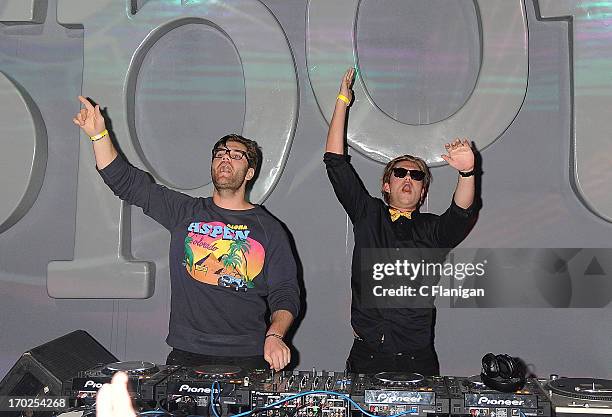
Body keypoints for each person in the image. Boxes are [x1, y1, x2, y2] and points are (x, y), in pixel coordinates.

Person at [73, 96, 299, 371]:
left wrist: (275, 335)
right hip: (188, 354)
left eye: (236, 155)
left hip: (249, 355)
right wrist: (99, 135)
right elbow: (127, 183)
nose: (226, 158)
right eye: (220, 154)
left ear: (250, 172)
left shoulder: (269, 229)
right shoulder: (186, 212)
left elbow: (285, 293)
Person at [324, 69, 477, 375]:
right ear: (386, 184)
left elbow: (461, 213)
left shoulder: (433, 230)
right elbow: (335, 163)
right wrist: (343, 100)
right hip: (367, 355)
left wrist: (467, 173)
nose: (408, 178)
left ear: (423, 192)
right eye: (400, 173)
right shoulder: (369, 214)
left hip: (416, 358)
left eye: (417, 175)